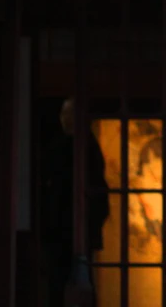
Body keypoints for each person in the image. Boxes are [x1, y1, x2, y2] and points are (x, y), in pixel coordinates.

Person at [39, 98, 110, 306]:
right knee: (63, 284)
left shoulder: (84, 148)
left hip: (72, 226)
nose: (66, 119)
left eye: (70, 114)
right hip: (62, 227)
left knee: (74, 282)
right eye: (64, 113)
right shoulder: (71, 146)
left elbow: (98, 191)